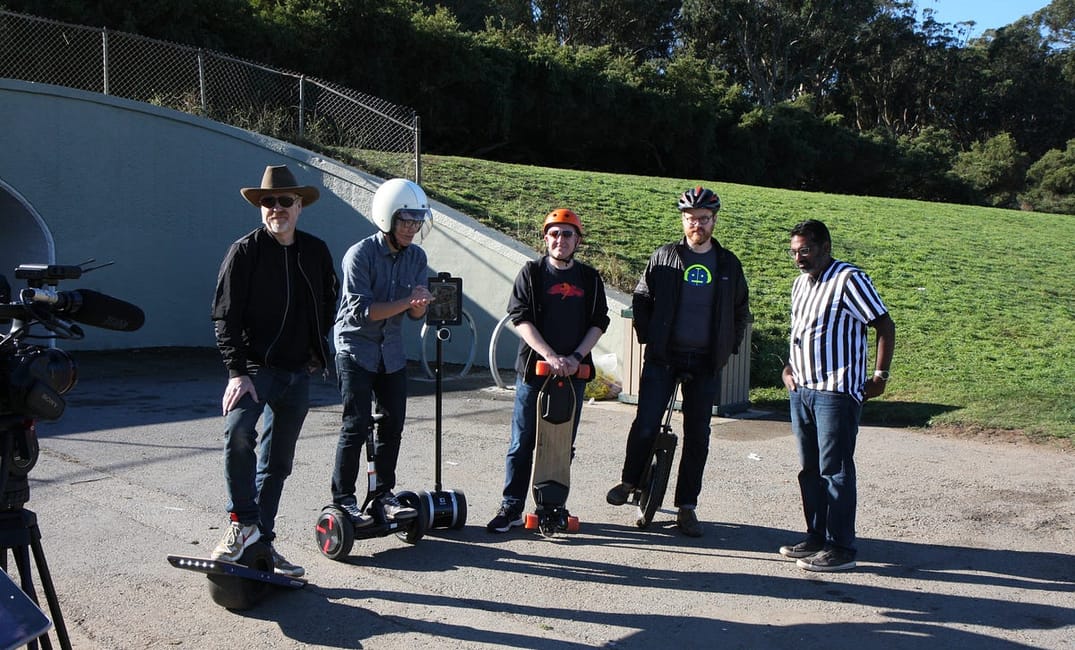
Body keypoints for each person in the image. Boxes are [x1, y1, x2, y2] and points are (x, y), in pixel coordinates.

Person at [210, 164, 339, 578]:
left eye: (285, 201)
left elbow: (327, 302)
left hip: (296, 373)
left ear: (299, 206)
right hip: (254, 370)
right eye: (269, 202)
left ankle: (261, 542)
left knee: (278, 463)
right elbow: (224, 315)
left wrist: (315, 350)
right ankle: (241, 525)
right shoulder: (244, 252)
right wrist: (236, 372)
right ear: (261, 208)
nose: (276, 208)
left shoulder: (315, 251)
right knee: (238, 433)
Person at [606, 187, 750, 537]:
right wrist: (649, 337)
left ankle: (687, 507)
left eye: (703, 219)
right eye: (690, 219)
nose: (696, 224)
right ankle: (629, 482)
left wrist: (727, 348)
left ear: (714, 220)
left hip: (704, 362)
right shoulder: (664, 256)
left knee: (698, 435)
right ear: (682, 220)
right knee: (645, 423)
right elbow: (641, 298)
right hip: (663, 356)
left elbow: (740, 311)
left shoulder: (728, 263)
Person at [779, 219, 895, 572]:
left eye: (806, 250)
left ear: (825, 247)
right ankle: (816, 537)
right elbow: (802, 332)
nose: (799, 258)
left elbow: (884, 325)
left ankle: (841, 547)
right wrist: (787, 369)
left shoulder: (848, 279)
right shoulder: (800, 284)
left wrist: (880, 375)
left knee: (836, 470)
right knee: (810, 470)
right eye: (794, 252)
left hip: (836, 391)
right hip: (802, 390)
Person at [487, 208, 610, 533]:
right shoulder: (532, 273)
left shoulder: (589, 278)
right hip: (534, 373)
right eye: (554, 233)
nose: (560, 239)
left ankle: (552, 506)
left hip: (574, 376)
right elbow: (520, 318)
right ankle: (511, 507)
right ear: (545, 237)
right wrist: (551, 356)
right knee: (522, 442)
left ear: (578, 240)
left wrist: (575, 357)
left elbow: (599, 322)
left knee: (560, 444)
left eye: (567, 234)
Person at [331, 178, 434, 525]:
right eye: (405, 221)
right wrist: (408, 301)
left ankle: (382, 495)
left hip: (390, 352)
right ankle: (344, 499)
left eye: (416, 222)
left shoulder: (417, 257)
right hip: (356, 348)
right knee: (356, 425)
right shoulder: (360, 254)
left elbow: (415, 313)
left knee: (393, 425)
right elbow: (364, 311)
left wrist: (419, 305)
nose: (411, 228)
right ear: (387, 219)